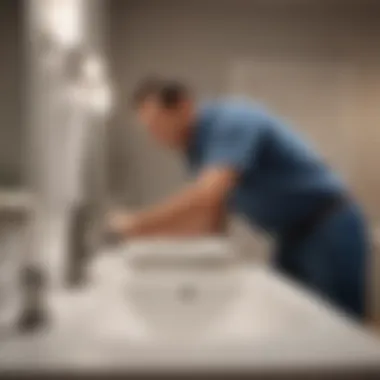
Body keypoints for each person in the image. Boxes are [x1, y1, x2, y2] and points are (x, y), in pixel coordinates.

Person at [108, 76, 368, 320]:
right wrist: (145, 240)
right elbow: (209, 225)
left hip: (330, 224)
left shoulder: (232, 119)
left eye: (156, 124)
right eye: (148, 129)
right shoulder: (195, 151)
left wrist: (136, 223)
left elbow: (207, 195)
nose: (155, 136)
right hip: (290, 237)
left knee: (339, 324)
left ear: (183, 105)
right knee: (293, 320)